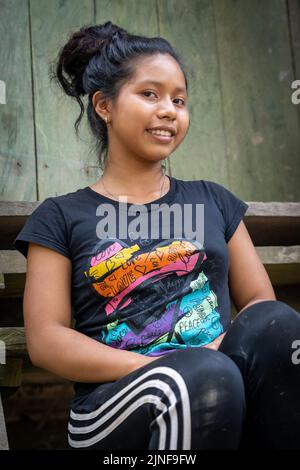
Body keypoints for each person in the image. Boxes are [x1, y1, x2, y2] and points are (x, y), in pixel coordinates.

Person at [14, 21, 300, 450]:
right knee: (201, 378)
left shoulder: (213, 201)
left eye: (179, 100)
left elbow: (261, 305)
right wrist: (160, 363)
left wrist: (220, 349)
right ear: (104, 106)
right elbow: (46, 338)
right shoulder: (61, 216)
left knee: (278, 326)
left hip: (219, 378)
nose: (169, 109)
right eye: (149, 94)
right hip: (115, 405)